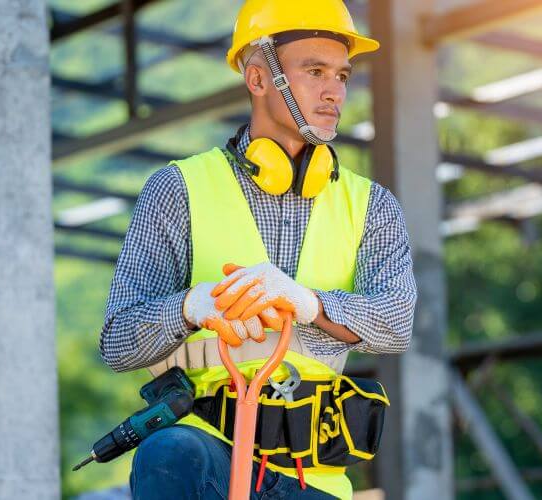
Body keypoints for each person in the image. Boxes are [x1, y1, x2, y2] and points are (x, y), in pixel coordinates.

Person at [99, 1, 417, 498]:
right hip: (208, 456)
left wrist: (308, 302)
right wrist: (190, 306)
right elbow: (118, 342)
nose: (334, 91)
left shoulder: (371, 206)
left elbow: (396, 324)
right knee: (169, 454)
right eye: (314, 71)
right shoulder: (177, 190)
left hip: (317, 479)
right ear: (258, 78)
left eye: (342, 75)